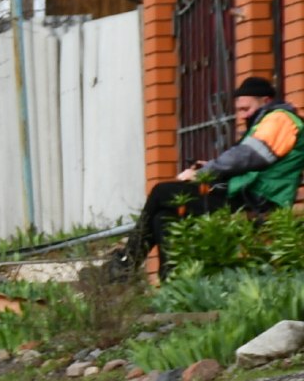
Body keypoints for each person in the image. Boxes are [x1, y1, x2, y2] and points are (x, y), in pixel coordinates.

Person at [118, 77, 304, 272]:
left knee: (162, 192)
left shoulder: (280, 118)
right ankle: (171, 284)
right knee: (163, 216)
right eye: (239, 110)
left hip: (256, 201)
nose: (242, 116)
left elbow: (248, 156)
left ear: (265, 101)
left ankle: (126, 263)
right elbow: (250, 161)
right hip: (245, 195)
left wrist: (204, 173)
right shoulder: (268, 121)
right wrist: (209, 169)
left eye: (245, 109)